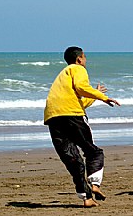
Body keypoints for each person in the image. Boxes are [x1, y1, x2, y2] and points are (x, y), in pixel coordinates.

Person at [44, 46, 120, 207]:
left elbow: (80, 101)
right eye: (85, 57)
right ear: (79, 58)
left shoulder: (62, 77)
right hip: (72, 116)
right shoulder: (78, 69)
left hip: (53, 117)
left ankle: (86, 198)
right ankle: (95, 185)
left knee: (73, 159)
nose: (85, 61)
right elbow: (81, 88)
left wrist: (95, 95)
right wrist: (103, 97)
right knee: (93, 152)